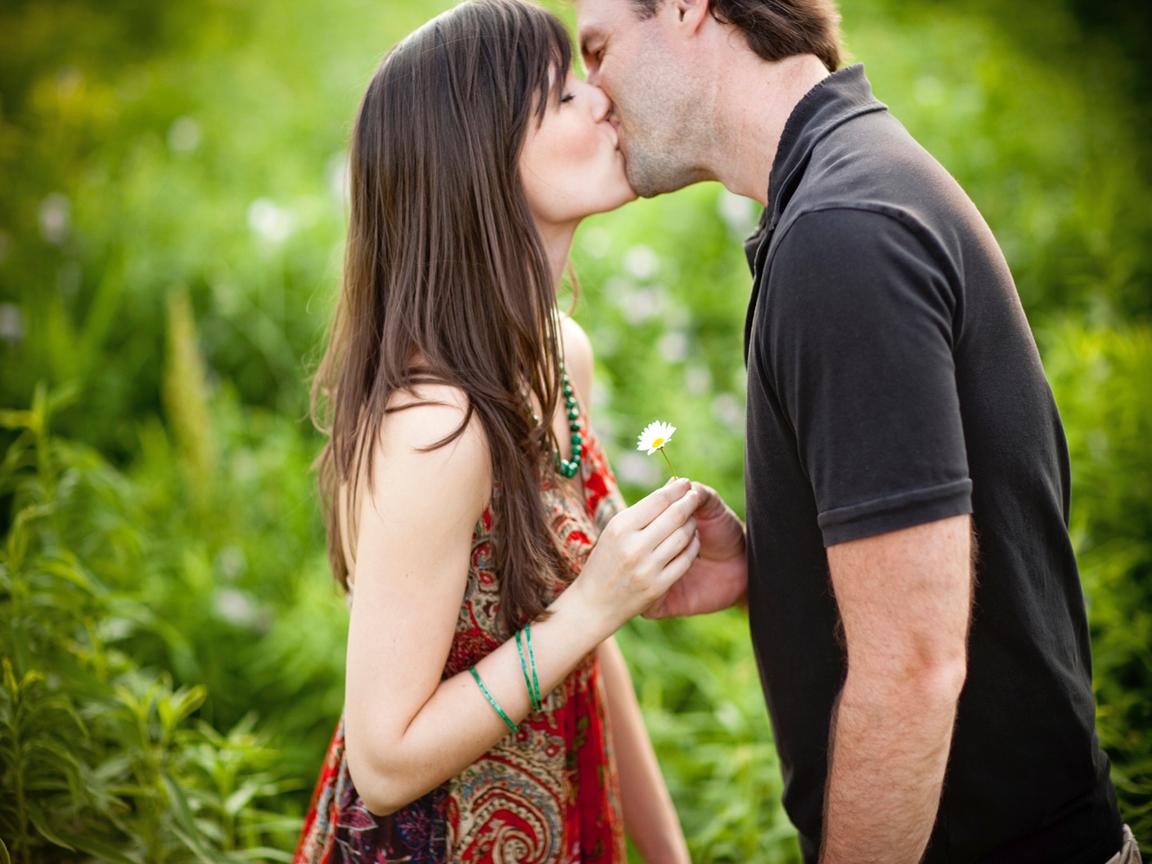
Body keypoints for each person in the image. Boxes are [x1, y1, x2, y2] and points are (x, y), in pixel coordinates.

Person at [573, 0, 1142, 861]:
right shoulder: (846, 190)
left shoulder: (844, 232)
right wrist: (777, 565)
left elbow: (914, 669)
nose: (595, 96)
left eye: (598, 49)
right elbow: (942, 574)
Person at [291, 0, 749, 860]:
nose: (603, 99)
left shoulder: (555, 355)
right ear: (482, 164)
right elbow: (384, 762)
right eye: (563, 95)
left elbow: (587, 635)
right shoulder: (435, 429)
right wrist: (592, 606)